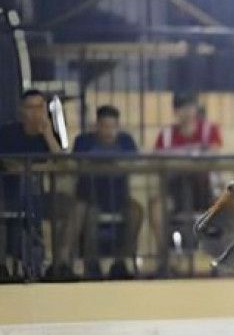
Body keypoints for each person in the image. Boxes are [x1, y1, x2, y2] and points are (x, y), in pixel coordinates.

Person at [0, 89, 76, 280]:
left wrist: (48, 134)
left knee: (70, 208)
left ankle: (60, 264)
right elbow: (7, 164)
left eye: (40, 107)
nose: (35, 112)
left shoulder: (51, 134)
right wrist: (40, 166)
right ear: (21, 110)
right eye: (30, 107)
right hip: (9, 196)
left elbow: (64, 164)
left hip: (41, 196)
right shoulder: (7, 133)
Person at [149, 92, 222, 276]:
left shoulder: (209, 130)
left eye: (190, 107)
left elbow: (213, 156)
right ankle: (164, 260)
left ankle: (222, 259)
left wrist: (180, 161)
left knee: (228, 206)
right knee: (156, 207)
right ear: (175, 111)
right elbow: (158, 163)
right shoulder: (165, 135)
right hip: (174, 192)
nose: (187, 112)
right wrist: (194, 158)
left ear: (196, 109)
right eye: (182, 108)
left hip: (204, 192)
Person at [69, 105, 142, 280]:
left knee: (136, 212)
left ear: (118, 127)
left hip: (119, 198)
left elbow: (134, 164)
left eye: (113, 127)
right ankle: (91, 264)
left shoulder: (126, 141)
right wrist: (112, 165)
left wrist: (99, 165)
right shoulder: (83, 141)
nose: (109, 131)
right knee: (90, 214)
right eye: (105, 126)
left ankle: (121, 262)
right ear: (97, 126)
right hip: (89, 197)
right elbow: (76, 165)